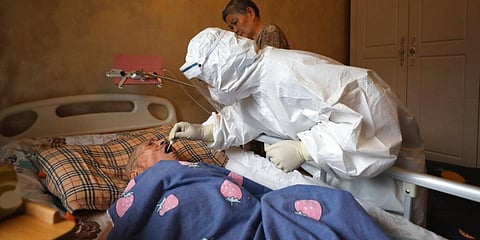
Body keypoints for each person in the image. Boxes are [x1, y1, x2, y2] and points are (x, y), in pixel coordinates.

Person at [169, 27, 427, 225]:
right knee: (358, 219)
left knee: (395, 224)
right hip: (341, 171)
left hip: (386, 167)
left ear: (222, 70)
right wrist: (204, 131)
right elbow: (244, 116)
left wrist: (306, 149)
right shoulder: (254, 83)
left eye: (208, 81)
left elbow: (373, 117)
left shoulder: (288, 72)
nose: (210, 89)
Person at [108, 140, 389, 239]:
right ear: (136, 173)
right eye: (149, 147)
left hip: (250, 223)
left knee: (333, 203)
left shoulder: (194, 168)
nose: (159, 142)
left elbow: (247, 190)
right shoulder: (139, 189)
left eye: (159, 141)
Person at [222, 0, 289, 49]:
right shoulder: (249, 44)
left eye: (235, 22)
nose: (235, 30)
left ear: (250, 13)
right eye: (231, 28)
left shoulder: (270, 31)